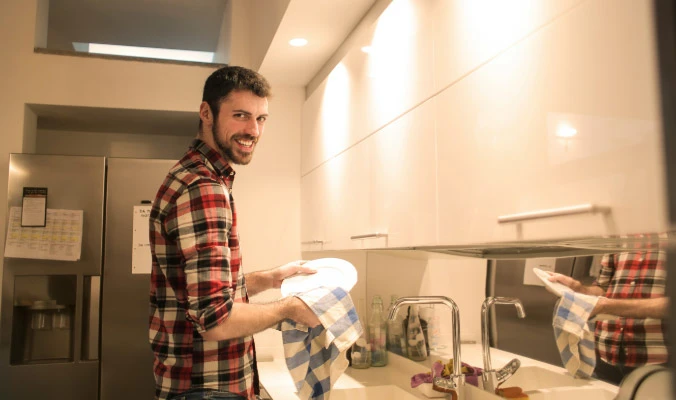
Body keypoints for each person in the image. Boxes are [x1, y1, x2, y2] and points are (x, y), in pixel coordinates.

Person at [148, 66, 321, 400]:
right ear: (206, 113)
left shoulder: (198, 176)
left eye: (261, 119)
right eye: (241, 115)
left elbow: (202, 291)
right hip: (206, 387)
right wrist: (289, 308)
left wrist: (271, 278)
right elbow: (215, 319)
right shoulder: (204, 187)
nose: (253, 130)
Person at [548, 248, 668, 385]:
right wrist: (579, 289)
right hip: (605, 353)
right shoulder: (618, 237)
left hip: (659, 360)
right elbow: (604, 288)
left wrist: (606, 305)